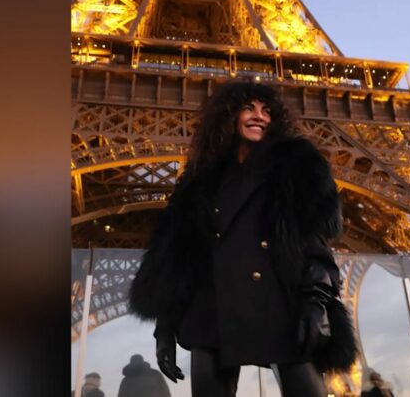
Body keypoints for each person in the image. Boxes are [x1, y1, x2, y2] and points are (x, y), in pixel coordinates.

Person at [129, 81, 357, 397]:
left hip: (281, 300)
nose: (258, 116)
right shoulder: (200, 180)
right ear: (228, 115)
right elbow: (180, 257)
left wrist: (316, 302)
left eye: (266, 110)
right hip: (212, 306)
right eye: (248, 108)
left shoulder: (295, 165)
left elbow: (313, 243)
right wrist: (165, 326)